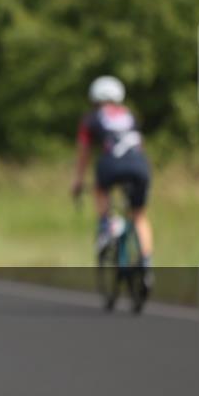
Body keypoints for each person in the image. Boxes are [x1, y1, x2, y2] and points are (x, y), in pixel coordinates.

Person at [71, 76, 154, 284]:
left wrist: (78, 181)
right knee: (139, 216)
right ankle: (146, 264)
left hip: (110, 165)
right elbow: (139, 145)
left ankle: (107, 226)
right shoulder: (130, 115)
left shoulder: (91, 118)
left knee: (100, 189)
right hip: (140, 166)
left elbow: (84, 152)